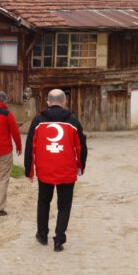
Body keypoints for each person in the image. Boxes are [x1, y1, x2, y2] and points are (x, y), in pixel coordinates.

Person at [24, 89, 87, 252]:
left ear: (48, 102)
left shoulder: (38, 121)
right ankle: (59, 240)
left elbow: (30, 146)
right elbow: (81, 146)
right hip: (66, 170)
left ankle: (42, 235)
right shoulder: (73, 121)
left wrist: (29, 171)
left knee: (43, 201)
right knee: (64, 206)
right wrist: (80, 165)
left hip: (45, 171)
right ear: (64, 102)